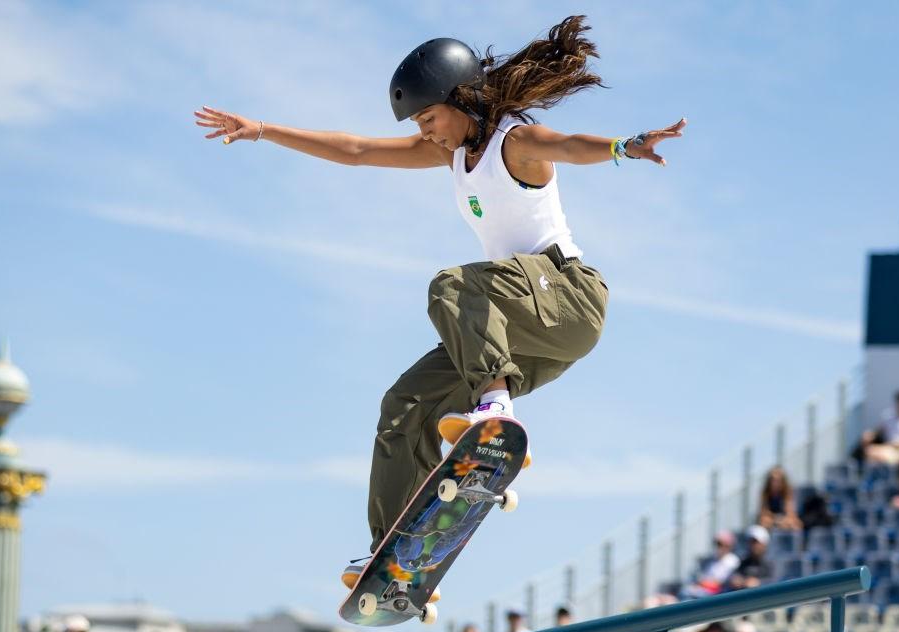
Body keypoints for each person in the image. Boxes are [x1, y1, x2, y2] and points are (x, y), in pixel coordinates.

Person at [194, 16, 684, 579]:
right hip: (518, 331)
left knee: (452, 284)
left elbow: (569, 144)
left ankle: (494, 407)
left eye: (429, 118)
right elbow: (356, 150)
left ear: (463, 100)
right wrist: (261, 128)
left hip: (567, 298)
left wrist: (626, 145)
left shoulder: (514, 141)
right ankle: (394, 551)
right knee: (405, 405)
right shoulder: (449, 155)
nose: (425, 133)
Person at [856, 390, 899, 468]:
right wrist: (868, 435)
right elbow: (878, 431)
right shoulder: (888, 416)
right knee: (870, 451)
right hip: (889, 449)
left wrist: (894, 445)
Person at [679, 531, 740, 599]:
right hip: (704, 590)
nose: (718, 547)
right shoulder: (712, 559)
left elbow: (721, 583)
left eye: (720, 544)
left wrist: (703, 583)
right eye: (717, 544)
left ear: (728, 546)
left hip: (718, 593)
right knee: (685, 591)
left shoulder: (733, 561)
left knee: (687, 593)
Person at [727, 526, 772, 591]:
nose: (752, 545)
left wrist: (759, 583)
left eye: (755, 542)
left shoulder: (773, 562)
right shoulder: (744, 562)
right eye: (750, 542)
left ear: (764, 543)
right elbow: (736, 576)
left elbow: (778, 580)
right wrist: (737, 580)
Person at [757, 467, 802, 531]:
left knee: (795, 524)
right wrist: (775, 519)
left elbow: (790, 513)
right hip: (771, 519)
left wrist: (781, 521)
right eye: (773, 480)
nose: (775, 483)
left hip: (784, 519)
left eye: (778, 480)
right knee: (764, 522)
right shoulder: (765, 493)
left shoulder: (788, 492)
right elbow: (764, 512)